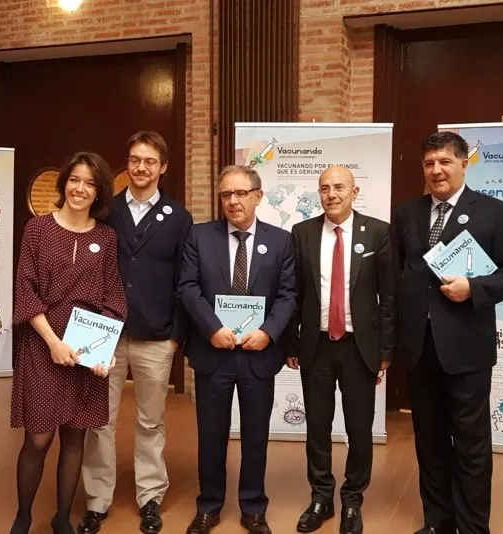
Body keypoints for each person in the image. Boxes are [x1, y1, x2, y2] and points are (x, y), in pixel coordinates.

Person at [392, 132, 503, 534]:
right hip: (419, 348)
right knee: (429, 442)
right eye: (429, 163)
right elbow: (399, 278)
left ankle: (472, 527)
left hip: (466, 349)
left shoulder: (493, 212)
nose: (436, 170)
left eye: (445, 162)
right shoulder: (406, 214)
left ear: (464, 164)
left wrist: (474, 288)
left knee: (471, 446)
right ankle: (438, 521)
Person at [79, 131, 192, 534]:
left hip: (156, 337)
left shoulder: (178, 218)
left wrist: (176, 335)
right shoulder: (105, 210)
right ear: (127, 165)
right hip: (104, 333)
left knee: (150, 421)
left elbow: (185, 279)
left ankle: (150, 497)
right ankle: (96, 500)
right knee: (99, 420)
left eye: (149, 161)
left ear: (163, 167)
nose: (141, 167)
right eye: (134, 160)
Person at [9, 152, 128, 534]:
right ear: (64, 184)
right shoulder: (38, 229)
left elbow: (112, 296)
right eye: (74, 180)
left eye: (90, 183)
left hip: (85, 352)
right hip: (42, 347)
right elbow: (25, 290)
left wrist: (102, 351)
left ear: (99, 192)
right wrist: (53, 342)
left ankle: (62, 517)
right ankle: (23, 516)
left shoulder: (106, 237)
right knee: (38, 438)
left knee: (75, 436)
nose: (80, 189)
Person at [177, 165, 296, 534]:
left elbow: (288, 295)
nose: (233, 201)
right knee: (211, 435)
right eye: (226, 194)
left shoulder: (281, 241)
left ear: (258, 196)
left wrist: (269, 332)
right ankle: (209, 506)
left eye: (241, 193)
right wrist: (211, 329)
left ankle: (253, 507)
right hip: (213, 352)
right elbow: (188, 288)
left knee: (256, 436)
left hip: (258, 354)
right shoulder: (199, 236)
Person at [285, 166, 396, 534]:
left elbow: (388, 297)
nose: (331, 194)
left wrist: (386, 350)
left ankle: (352, 499)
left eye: (339, 187)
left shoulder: (377, 232)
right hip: (315, 346)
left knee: (359, 429)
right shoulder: (302, 233)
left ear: (354, 191)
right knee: (317, 427)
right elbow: (294, 294)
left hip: (359, 348)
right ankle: (320, 497)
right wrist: (291, 342)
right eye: (324, 188)